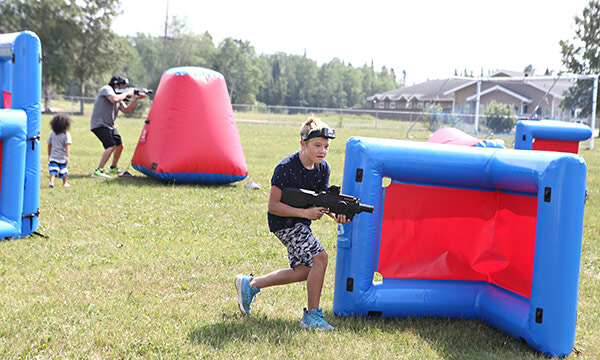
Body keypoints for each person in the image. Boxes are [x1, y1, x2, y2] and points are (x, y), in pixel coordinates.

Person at [235, 117, 349, 330]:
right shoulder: (285, 168)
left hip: (301, 223)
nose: (322, 151)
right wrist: (305, 213)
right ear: (303, 144)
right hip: (284, 223)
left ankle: (250, 285)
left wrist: (336, 215)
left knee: (303, 271)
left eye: (326, 146)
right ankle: (311, 317)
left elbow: (322, 201)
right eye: (317, 145)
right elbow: (273, 206)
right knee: (320, 258)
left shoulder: (323, 168)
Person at [90, 75, 147, 178]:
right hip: (100, 124)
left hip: (110, 126)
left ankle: (113, 168)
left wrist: (136, 98)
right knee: (111, 146)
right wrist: (126, 93)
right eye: (122, 85)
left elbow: (126, 110)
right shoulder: (107, 89)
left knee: (119, 146)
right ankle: (98, 171)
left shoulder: (118, 95)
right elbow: (114, 100)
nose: (124, 87)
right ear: (116, 84)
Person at [47, 113, 73, 188]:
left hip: (53, 155)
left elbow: (49, 145)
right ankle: (64, 183)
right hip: (62, 156)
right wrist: (67, 156)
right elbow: (67, 146)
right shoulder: (66, 134)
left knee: (52, 170)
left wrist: (49, 155)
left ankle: (51, 182)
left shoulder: (52, 134)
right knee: (63, 170)